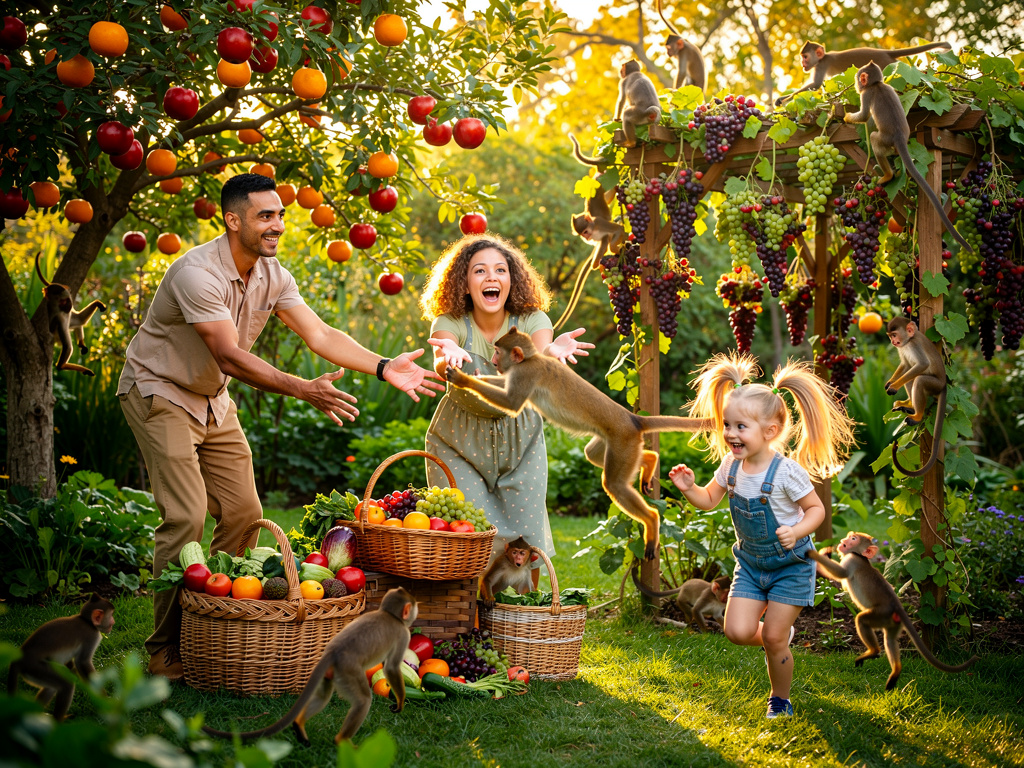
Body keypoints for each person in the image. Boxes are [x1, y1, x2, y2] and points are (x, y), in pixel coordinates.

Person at [117, 173, 444, 680]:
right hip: (160, 390)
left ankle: (215, 621)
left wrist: (383, 367)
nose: (277, 225)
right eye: (265, 216)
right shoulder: (196, 274)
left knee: (244, 513)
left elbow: (320, 334)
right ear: (233, 220)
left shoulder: (272, 273)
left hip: (212, 399)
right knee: (185, 517)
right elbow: (228, 355)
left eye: (280, 215)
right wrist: (302, 388)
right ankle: (165, 648)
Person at [668, 352, 856, 718]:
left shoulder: (786, 472)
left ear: (769, 431)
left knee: (771, 637)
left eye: (741, 426)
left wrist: (796, 530)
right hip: (752, 566)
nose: (730, 434)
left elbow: (817, 510)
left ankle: (780, 699)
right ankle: (781, 637)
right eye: (727, 424)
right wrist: (689, 488)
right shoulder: (730, 466)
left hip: (792, 566)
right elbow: (708, 500)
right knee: (737, 632)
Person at [419, 233, 593, 587]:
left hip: (521, 438)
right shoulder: (451, 322)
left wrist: (553, 353)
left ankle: (529, 612)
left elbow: (541, 353)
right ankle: (468, 610)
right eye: (479, 270)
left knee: (528, 530)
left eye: (500, 270)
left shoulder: (531, 319)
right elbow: (443, 354)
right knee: (468, 530)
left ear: (512, 280)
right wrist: (447, 357)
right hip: (458, 440)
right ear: (464, 283)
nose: (491, 277)